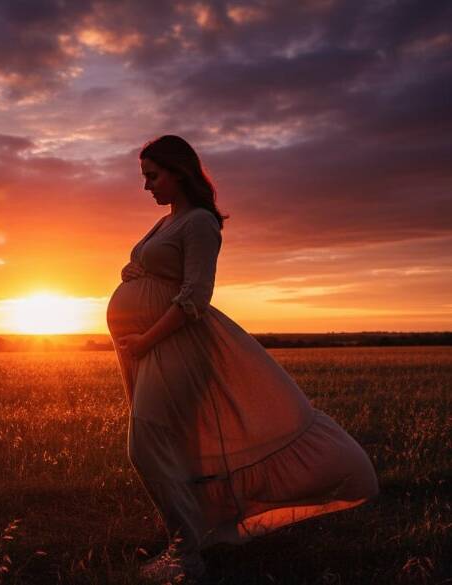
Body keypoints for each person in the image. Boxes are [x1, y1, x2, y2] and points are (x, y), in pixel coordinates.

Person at [106, 135, 380, 581]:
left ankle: (187, 559)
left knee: (146, 446)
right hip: (150, 349)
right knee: (173, 447)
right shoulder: (166, 222)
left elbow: (195, 297)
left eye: (153, 176)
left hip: (175, 348)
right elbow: (156, 268)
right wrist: (132, 271)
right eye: (145, 177)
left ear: (179, 171)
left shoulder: (199, 223)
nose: (147, 187)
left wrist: (145, 341)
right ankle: (190, 538)